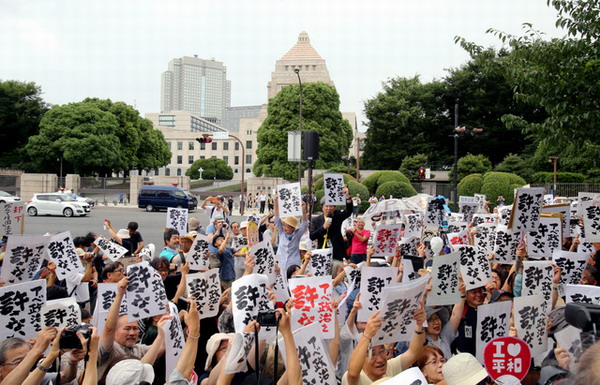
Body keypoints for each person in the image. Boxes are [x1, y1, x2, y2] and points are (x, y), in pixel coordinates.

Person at [343, 307, 427, 385]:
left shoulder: (390, 367)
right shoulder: (356, 378)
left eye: (382, 351)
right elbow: (353, 374)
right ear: (361, 359)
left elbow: (414, 353)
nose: (379, 360)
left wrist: (419, 325)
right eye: (372, 354)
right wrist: (367, 335)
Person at [310, 186, 353, 261]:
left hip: (336, 252)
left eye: (331, 206)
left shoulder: (337, 216)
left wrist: (347, 197)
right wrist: (323, 227)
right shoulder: (316, 220)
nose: (329, 208)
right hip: (322, 252)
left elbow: (348, 211)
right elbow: (312, 236)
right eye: (326, 206)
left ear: (334, 207)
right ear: (322, 207)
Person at [274, 196, 309, 269]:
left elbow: (305, 224)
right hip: (280, 263)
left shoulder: (297, 234)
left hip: (293, 264)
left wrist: (303, 210)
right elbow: (277, 220)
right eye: (284, 225)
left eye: (287, 226)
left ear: (293, 228)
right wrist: (276, 203)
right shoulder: (282, 233)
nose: (284, 228)